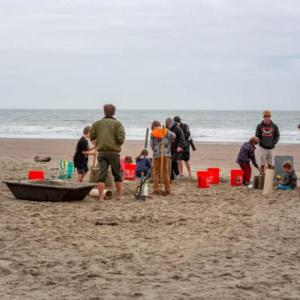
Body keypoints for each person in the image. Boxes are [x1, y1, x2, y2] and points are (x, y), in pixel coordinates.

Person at [90, 104, 125, 201]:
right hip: (113, 152)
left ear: (104, 112)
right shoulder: (117, 124)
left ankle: (101, 197)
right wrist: (118, 144)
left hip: (102, 152)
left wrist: (96, 144)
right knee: (117, 174)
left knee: (102, 175)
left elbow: (92, 136)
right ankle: (119, 196)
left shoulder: (97, 124)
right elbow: (120, 139)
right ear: (114, 112)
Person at [150, 121, 175, 195]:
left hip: (157, 154)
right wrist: (169, 141)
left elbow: (151, 145)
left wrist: (155, 149)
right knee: (165, 172)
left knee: (156, 172)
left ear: (154, 126)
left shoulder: (153, 133)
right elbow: (174, 136)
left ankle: (155, 189)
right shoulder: (166, 131)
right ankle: (167, 189)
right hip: (165, 154)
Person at [255, 110, 280, 174]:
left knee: (270, 164)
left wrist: (273, 143)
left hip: (271, 148)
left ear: (270, 117)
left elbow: (277, 135)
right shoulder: (259, 126)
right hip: (262, 148)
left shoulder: (274, 126)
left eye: (268, 116)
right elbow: (257, 136)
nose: (267, 117)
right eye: (265, 116)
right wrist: (261, 142)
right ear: (263, 117)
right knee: (262, 164)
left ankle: (270, 177)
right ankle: (262, 176)